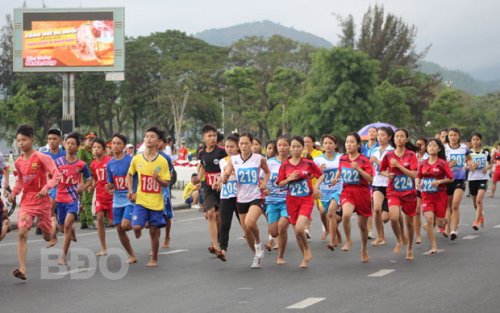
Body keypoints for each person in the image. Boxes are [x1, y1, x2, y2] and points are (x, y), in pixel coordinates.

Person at [8, 124, 61, 280]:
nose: (21, 143)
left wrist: (46, 188)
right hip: (27, 202)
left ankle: (54, 225)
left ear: (31, 139)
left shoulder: (43, 157)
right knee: (22, 232)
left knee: (47, 236)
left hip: (43, 202)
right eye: (18, 141)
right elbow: (20, 180)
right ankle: (23, 270)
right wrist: (14, 193)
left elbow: (56, 176)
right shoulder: (18, 162)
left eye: (24, 140)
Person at [222, 133, 270, 268]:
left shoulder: (259, 159)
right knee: (246, 231)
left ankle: (259, 243)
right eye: (241, 144)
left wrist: (264, 183)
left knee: (250, 222)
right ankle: (256, 255)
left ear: (251, 144)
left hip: (256, 196)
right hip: (241, 198)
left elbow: (267, 172)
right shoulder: (233, 159)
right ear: (238, 146)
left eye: (246, 143)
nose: (243, 146)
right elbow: (225, 177)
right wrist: (224, 178)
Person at [127, 126, 171, 267]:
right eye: (147, 136)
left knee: (153, 231)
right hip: (141, 200)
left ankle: (154, 259)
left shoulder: (162, 161)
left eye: (152, 136)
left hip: (156, 202)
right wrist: (130, 190)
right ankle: (139, 229)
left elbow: (166, 183)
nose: (149, 139)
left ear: (158, 141)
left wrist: (158, 179)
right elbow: (130, 174)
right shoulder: (137, 159)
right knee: (135, 227)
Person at [277, 136, 322, 268]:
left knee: (299, 228)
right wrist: (289, 179)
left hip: (306, 200)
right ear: (290, 148)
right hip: (292, 201)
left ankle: (307, 249)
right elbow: (280, 184)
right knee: (297, 232)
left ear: (303, 147)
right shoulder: (285, 165)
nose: (296, 149)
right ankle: (304, 257)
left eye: (298, 146)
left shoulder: (308, 163)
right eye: (293, 147)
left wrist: (316, 187)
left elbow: (321, 175)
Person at [332, 132, 374, 263]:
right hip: (348, 191)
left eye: (351, 142)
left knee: (362, 227)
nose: (348, 144)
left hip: (361, 193)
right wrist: (336, 178)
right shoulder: (343, 158)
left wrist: (359, 170)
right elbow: (340, 170)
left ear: (358, 144)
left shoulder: (364, 160)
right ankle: (348, 240)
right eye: (347, 142)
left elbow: (370, 179)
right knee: (346, 215)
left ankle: (364, 248)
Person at [379, 129, 419, 260]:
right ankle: (400, 240)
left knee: (409, 223)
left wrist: (399, 166)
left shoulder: (411, 155)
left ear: (406, 139)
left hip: (409, 193)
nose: (399, 139)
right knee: (394, 217)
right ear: (393, 139)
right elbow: (381, 170)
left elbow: (414, 174)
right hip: (393, 192)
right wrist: (387, 174)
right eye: (397, 136)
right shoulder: (388, 155)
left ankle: (410, 248)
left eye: (402, 136)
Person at [55, 132, 93, 265]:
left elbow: (89, 180)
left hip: (73, 199)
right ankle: (72, 230)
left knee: (66, 224)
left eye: (73, 144)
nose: (70, 145)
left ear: (77, 147)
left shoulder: (81, 164)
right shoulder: (58, 162)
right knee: (62, 228)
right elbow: (50, 175)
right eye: (68, 143)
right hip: (60, 199)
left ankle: (63, 257)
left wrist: (82, 188)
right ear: (64, 145)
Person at [416, 139, 454, 254]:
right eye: (429, 146)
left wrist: (439, 182)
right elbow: (418, 176)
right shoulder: (422, 164)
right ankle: (433, 247)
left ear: (439, 149)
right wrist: (418, 183)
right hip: (426, 195)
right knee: (429, 219)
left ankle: (445, 221)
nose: (431, 148)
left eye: (434, 146)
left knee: (440, 223)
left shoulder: (442, 163)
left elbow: (451, 178)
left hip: (440, 195)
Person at [105, 133, 137, 264]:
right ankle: (132, 255)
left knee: (125, 225)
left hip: (129, 197)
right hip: (117, 198)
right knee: (119, 228)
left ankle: (137, 224)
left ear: (124, 146)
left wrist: (135, 192)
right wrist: (109, 186)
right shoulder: (110, 163)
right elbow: (111, 182)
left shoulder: (131, 160)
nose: (115, 146)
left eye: (118, 143)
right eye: (113, 143)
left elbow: (138, 179)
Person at [195, 124, 227, 256]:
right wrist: (198, 178)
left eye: (214, 135)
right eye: (209, 136)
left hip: (221, 187)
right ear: (204, 138)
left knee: (219, 215)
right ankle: (215, 245)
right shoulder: (201, 152)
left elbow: (227, 166)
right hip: (208, 187)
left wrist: (221, 180)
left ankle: (218, 237)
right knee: (211, 214)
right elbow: (202, 166)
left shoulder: (222, 151)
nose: (212, 138)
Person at [314, 134, 344, 251]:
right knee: (330, 215)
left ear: (335, 145)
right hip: (324, 191)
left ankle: (332, 240)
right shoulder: (318, 160)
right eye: (325, 143)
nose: (328, 145)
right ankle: (338, 234)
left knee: (331, 213)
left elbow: (345, 170)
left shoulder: (341, 157)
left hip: (338, 189)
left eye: (330, 143)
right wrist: (318, 171)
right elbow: (312, 175)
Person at [213, 134, 240, 261]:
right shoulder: (223, 161)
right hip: (226, 195)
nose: (229, 149)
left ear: (238, 147)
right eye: (227, 146)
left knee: (245, 224)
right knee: (224, 223)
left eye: (232, 147)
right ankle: (223, 249)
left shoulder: (241, 160)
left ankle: (255, 243)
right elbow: (222, 175)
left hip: (240, 196)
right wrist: (218, 182)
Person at [265, 136, 290, 264]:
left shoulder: (293, 162)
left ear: (289, 147)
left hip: (288, 201)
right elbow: (261, 179)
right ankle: (278, 242)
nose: (282, 148)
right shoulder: (269, 163)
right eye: (279, 145)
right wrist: (264, 187)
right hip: (272, 201)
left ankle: (280, 256)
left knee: (282, 227)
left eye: (285, 145)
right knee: (274, 232)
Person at [444, 127, 472, 240]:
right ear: (448, 137)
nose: (453, 137)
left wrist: (470, 165)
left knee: (455, 204)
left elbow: (469, 159)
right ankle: (447, 227)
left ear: (459, 136)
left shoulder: (464, 148)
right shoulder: (444, 148)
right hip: (447, 180)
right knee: (448, 206)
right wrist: (447, 166)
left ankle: (454, 229)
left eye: (455, 135)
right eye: (451, 135)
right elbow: (440, 163)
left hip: (460, 179)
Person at [88, 137, 114, 256]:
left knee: (111, 223)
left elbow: (116, 175)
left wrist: (114, 188)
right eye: (94, 148)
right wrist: (92, 187)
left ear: (104, 150)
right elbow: (95, 179)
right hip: (100, 195)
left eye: (99, 147)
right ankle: (103, 248)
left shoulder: (110, 161)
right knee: (99, 219)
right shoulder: (93, 164)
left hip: (111, 195)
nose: (96, 150)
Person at [370, 127, 395, 247]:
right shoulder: (374, 150)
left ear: (389, 137)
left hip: (390, 185)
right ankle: (380, 236)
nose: (379, 137)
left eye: (383, 135)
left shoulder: (392, 151)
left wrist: (379, 163)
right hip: (377, 184)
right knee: (376, 210)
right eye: (378, 135)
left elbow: (393, 168)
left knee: (385, 218)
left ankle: (400, 235)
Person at [467, 133, 492, 230]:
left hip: (483, 178)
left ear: (480, 141)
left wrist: (487, 168)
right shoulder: (468, 154)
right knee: (475, 203)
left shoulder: (485, 153)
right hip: (472, 179)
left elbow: (490, 164)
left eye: (477, 139)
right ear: (471, 141)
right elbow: (464, 166)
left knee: (479, 200)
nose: (475, 141)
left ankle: (476, 222)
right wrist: (470, 167)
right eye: (473, 139)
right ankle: (481, 215)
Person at [302, 134, 324, 240]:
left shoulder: (318, 154)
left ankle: (325, 223)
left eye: (308, 142)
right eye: (304, 142)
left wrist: (319, 168)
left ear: (313, 143)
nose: (306, 144)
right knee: (307, 208)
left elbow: (322, 168)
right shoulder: (300, 154)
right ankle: (307, 229)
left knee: (321, 208)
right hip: (306, 185)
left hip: (318, 184)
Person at [77, 131, 96, 230]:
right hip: (85, 177)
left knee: (85, 200)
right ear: (85, 140)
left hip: (93, 177)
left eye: (93, 140)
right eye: (89, 140)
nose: (91, 142)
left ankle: (83, 221)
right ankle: (90, 221)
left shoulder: (95, 150)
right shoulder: (82, 150)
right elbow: (79, 166)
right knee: (87, 200)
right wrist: (80, 181)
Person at [414, 137, 429, 244]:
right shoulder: (413, 157)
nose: (419, 146)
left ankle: (432, 224)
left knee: (429, 212)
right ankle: (418, 236)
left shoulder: (430, 157)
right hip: (416, 187)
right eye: (417, 144)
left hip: (428, 188)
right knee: (416, 211)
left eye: (421, 144)